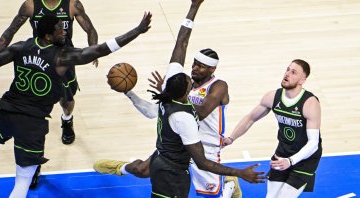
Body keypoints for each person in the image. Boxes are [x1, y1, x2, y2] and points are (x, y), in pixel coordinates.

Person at [94, 0, 265, 197]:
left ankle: (229, 184)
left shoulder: (218, 86)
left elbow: (199, 113)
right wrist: (132, 93)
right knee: (142, 171)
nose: (193, 68)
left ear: (212, 69)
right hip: (179, 143)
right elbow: (181, 43)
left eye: (200, 66)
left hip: (205, 147)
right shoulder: (179, 86)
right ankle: (121, 168)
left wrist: (167, 96)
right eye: (193, 64)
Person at [0, 14, 151, 197]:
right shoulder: (61, 57)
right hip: (32, 123)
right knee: (22, 182)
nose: (65, 31)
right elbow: (101, 50)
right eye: (60, 29)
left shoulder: (19, 47)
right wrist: (137, 31)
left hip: (7, 112)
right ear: (47, 36)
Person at [0, 0, 99, 145]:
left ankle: (67, 120)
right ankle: (30, 151)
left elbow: (90, 29)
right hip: (38, 57)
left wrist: (94, 50)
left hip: (63, 59)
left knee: (67, 100)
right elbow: (10, 31)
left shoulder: (72, 4)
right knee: (33, 101)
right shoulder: (30, 5)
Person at [222, 59, 322, 198]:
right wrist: (231, 138)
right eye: (287, 69)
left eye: (293, 72)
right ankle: (231, 186)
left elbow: (313, 143)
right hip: (282, 154)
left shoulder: (309, 103)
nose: (287, 74)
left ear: (302, 80)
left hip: (305, 159)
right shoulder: (273, 97)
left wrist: (291, 161)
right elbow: (251, 118)